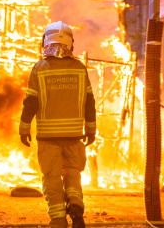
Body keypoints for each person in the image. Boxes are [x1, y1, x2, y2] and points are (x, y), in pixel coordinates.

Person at [19, 21, 96, 228]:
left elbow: (30, 103)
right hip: (74, 136)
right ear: (71, 43)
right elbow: (89, 103)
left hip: (48, 137)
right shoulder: (80, 69)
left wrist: (24, 128)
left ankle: (58, 220)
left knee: (52, 179)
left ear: (45, 42)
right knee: (73, 174)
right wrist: (91, 130)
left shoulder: (40, 68)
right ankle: (76, 203)